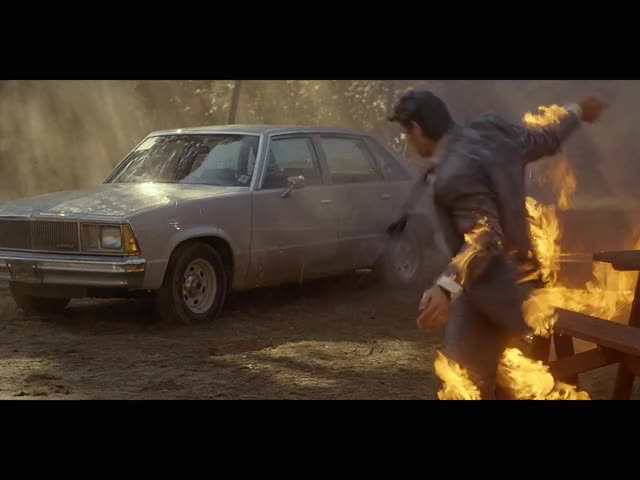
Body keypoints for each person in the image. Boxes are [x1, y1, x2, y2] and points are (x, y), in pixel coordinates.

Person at [388, 89, 606, 399]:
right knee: (509, 385)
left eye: (407, 133)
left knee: (468, 388)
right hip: (525, 288)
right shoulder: (492, 131)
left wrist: (446, 287)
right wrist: (576, 111)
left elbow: (485, 235)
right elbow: (543, 137)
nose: (409, 141)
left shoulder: (454, 174)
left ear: (417, 128)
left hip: (489, 297)